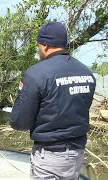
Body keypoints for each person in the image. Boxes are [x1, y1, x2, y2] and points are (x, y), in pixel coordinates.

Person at [9, 22, 96, 179]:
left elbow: (19, 122)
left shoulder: (35, 74)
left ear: (45, 46)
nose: (38, 50)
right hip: (77, 155)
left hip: (48, 158)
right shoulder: (87, 73)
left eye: (38, 46)